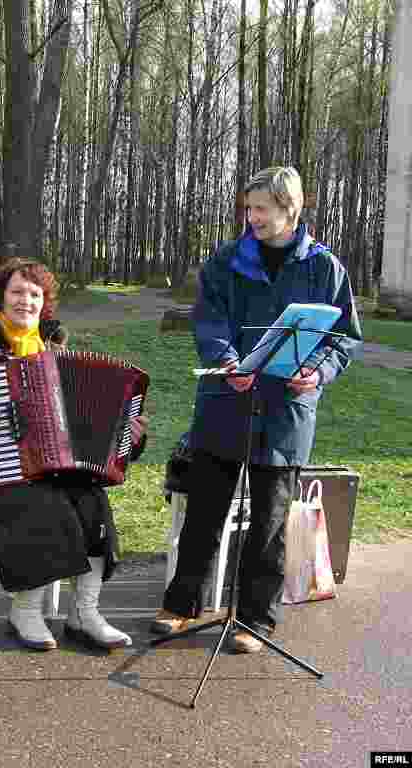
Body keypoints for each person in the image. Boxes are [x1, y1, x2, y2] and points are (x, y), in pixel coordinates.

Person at [150, 166, 362, 653]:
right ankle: (183, 605)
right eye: (249, 209)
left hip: (287, 410)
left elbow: (344, 339)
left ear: (291, 209)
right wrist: (226, 359)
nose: (252, 217)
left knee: (268, 520)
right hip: (226, 401)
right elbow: (209, 321)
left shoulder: (325, 268)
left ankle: (254, 620)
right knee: (204, 511)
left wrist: (319, 372)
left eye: (261, 209)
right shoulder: (226, 261)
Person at [0, 258, 149, 651]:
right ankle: (25, 609)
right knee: (39, 503)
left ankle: (85, 613)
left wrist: (130, 436)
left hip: (52, 468)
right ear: (0, 297)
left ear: (45, 303)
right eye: (17, 291)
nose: (25, 301)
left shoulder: (53, 350)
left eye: (34, 294)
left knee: (92, 503)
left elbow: (94, 429)